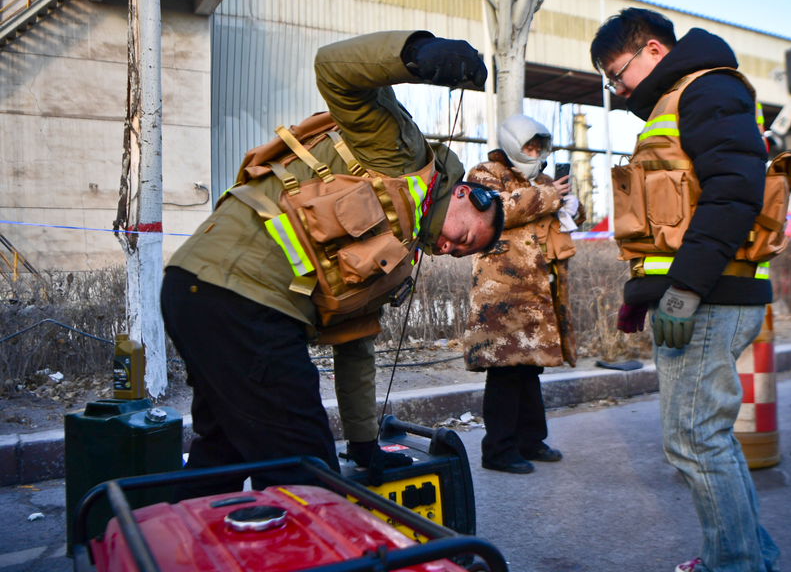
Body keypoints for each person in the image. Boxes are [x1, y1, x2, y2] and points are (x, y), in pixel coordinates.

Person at [160, 30, 502, 498]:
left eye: (461, 254)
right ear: (465, 192)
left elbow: (355, 342)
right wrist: (415, 55)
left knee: (224, 454)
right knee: (307, 476)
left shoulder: (401, 257)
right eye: (464, 237)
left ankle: (166, 545)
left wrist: (364, 444)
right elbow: (335, 69)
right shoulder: (402, 156)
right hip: (242, 299)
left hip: (197, 291)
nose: (450, 249)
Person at [591, 8, 779, 572]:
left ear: (652, 50)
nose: (617, 89)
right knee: (709, 438)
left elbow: (731, 194)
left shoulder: (705, 90)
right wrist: (644, 290)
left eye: (617, 73)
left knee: (695, 440)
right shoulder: (688, 98)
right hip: (704, 294)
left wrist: (684, 291)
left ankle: (735, 565)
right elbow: (680, 208)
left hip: (710, 298)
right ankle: (746, 556)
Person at [463, 114, 584, 475]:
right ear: (512, 143)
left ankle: (531, 440)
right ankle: (497, 449)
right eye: (528, 145)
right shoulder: (485, 172)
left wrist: (573, 207)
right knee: (504, 367)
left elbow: (554, 216)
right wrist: (550, 196)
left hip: (540, 288)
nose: (534, 152)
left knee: (530, 365)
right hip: (503, 289)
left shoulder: (545, 179)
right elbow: (496, 208)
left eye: (539, 147)